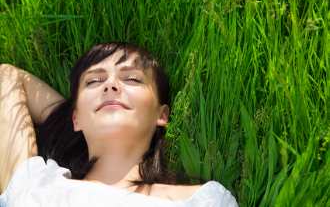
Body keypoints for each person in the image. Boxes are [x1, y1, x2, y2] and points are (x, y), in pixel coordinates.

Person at [0, 42, 238, 206]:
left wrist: (92, 113)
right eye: (94, 81)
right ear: (75, 119)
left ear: (162, 115)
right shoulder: (34, 184)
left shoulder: (205, 200)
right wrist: (84, 116)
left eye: (133, 78)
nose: (110, 86)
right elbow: (8, 76)